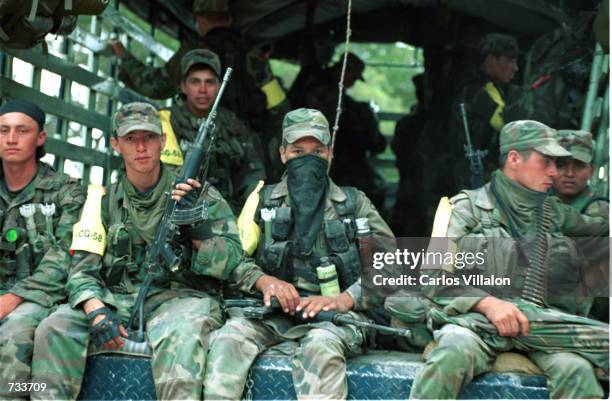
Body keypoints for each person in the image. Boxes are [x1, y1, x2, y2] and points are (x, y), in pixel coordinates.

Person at [30, 102, 267, 401]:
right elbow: (80, 268)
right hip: (117, 297)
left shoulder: (200, 194)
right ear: (116, 144)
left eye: (149, 137)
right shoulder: (101, 200)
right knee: (55, 327)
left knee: (182, 335)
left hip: (179, 299)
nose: (141, 147)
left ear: (163, 141)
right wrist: (96, 309)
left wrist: (196, 227)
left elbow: (231, 261)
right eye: (131, 139)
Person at [203, 108, 395, 399]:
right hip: (272, 316)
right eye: (297, 151)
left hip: (338, 322)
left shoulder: (353, 204)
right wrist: (264, 282)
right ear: (282, 154)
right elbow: (231, 259)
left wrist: (345, 299)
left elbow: (391, 266)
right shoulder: (262, 201)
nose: (308, 159)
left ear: (330, 154)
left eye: (317, 150)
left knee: (320, 347)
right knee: (228, 340)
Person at [408, 120, 609, 399]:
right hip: (477, 325)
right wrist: (487, 303)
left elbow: (601, 230)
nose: (555, 172)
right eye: (546, 161)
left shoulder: (554, 212)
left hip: (538, 330)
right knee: (451, 352)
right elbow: (432, 279)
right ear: (514, 158)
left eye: (556, 163)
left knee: (577, 369)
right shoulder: (465, 209)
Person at [109, 0, 289, 180]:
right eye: (195, 82)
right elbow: (279, 106)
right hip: (247, 145)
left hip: (200, 142)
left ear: (199, 19)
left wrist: (124, 56)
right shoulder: (253, 54)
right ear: (229, 19)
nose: (203, 89)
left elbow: (154, 86)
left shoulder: (194, 53)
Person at [0, 100, 85, 401]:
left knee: (13, 335)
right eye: (4, 130)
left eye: (22, 130)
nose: (11, 139)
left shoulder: (67, 190)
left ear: (40, 138)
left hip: (44, 295)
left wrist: (12, 298)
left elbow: (67, 255)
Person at [160, 48, 266, 214]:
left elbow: (252, 171)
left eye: (209, 82)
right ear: (183, 86)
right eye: (195, 81)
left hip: (228, 212)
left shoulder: (232, 123)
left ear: (218, 86)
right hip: (181, 208)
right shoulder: (166, 120)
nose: (203, 89)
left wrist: (251, 205)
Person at [296, 53, 389, 210]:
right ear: (344, 71)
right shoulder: (328, 90)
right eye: (353, 77)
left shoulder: (332, 88)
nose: (353, 83)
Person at [451, 33, 520, 190]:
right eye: (510, 61)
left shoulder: (473, 84)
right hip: (476, 172)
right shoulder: (481, 89)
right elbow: (506, 125)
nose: (515, 68)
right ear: (490, 60)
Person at [553, 129, 609, 321]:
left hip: (588, 310)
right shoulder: (540, 201)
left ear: (591, 171)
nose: (569, 173)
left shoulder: (599, 208)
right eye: (561, 165)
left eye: (578, 166)